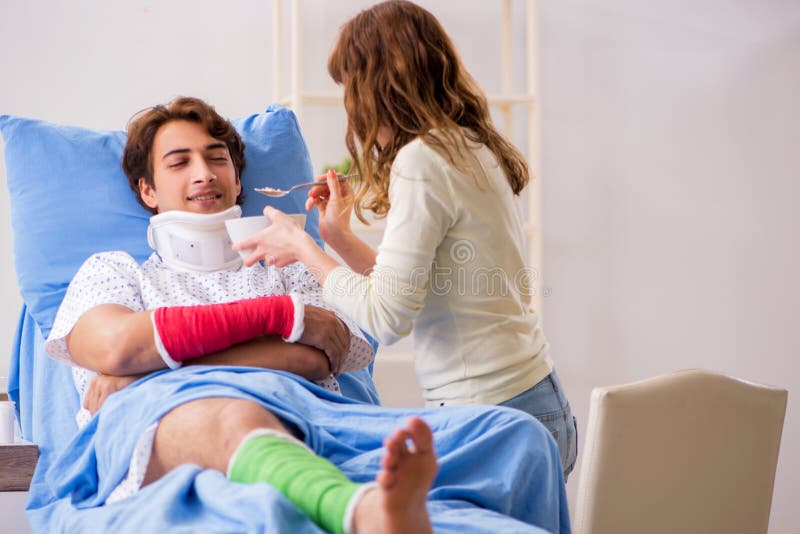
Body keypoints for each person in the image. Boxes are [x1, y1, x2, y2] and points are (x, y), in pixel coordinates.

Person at [42, 96, 570, 534]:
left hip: (319, 421)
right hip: (164, 430)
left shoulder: (286, 258)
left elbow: (319, 359)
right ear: (148, 191)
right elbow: (114, 346)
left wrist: (152, 361)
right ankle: (357, 512)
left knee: (520, 439)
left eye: (217, 157)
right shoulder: (117, 271)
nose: (204, 173)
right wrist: (286, 316)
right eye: (179, 162)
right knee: (234, 413)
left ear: (237, 178)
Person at [233, 0, 577, 477]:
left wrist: (303, 248)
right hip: (536, 400)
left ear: (377, 85)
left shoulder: (421, 162)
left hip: (495, 414)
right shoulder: (467, 143)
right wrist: (336, 237)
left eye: (352, 86)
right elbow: (418, 292)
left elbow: (387, 319)